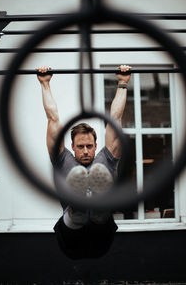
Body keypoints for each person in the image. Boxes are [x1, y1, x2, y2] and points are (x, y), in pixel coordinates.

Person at [36, 65, 131, 259]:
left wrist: (122, 83)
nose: (86, 151)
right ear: (72, 146)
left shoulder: (106, 159)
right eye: (80, 147)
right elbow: (52, 119)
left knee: (100, 207)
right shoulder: (63, 161)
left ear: (96, 145)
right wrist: (45, 84)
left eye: (89, 146)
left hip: (101, 238)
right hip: (70, 238)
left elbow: (116, 118)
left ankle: (97, 211)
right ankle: (78, 211)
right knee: (78, 213)